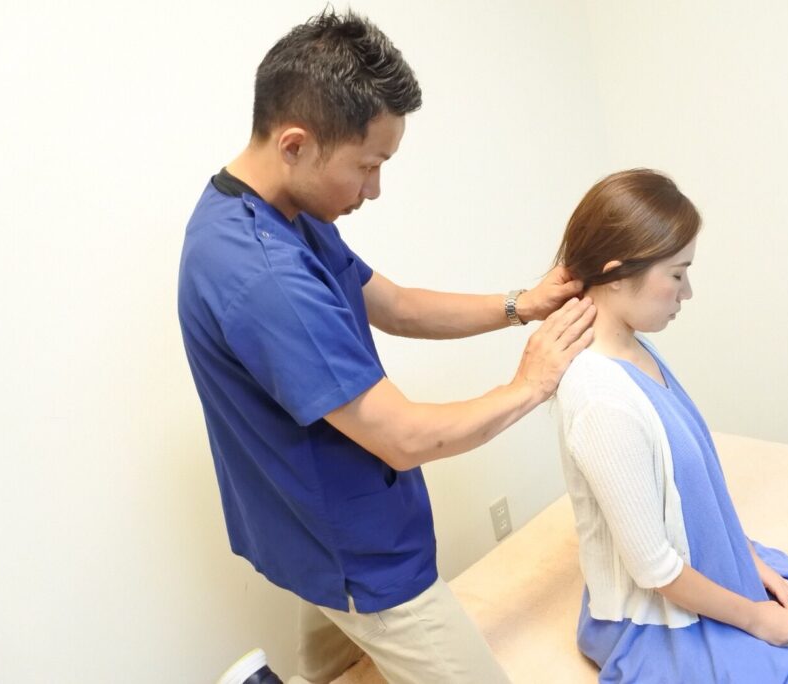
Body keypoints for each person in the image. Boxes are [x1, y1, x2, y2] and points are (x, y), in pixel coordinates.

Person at [177, 9, 595, 684]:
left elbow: (393, 304)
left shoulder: (269, 210)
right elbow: (402, 437)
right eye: (368, 166)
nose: (374, 189)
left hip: (306, 527)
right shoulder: (263, 274)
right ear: (295, 144)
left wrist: (521, 304)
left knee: (337, 671)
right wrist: (531, 384)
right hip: (354, 550)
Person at [552, 169, 788, 683]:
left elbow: (696, 491)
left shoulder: (634, 347)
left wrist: (751, 564)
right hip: (647, 619)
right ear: (615, 275)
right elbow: (654, 569)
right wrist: (756, 619)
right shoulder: (600, 398)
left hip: (707, 560)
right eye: (677, 275)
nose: (688, 292)